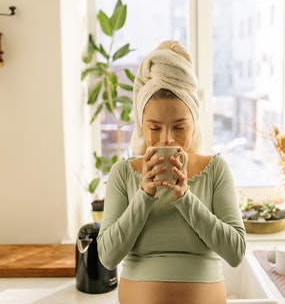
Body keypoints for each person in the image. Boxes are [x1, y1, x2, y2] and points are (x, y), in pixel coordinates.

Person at [97, 40, 246, 304]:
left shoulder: (216, 169)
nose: (167, 139)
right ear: (142, 126)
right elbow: (108, 256)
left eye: (179, 127)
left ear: (194, 124)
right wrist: (144, 195)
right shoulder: (123, 174)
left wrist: (185, 198)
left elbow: (235, 252)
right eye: (154, 128)